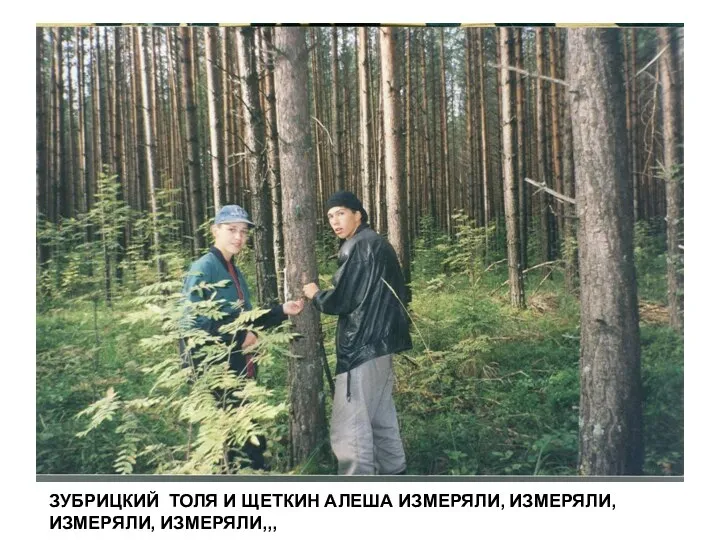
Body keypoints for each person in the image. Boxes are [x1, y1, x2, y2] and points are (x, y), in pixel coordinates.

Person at [181, 204, 304, 470]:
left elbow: (246, 320)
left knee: (247, 440)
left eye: (243, 232)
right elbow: (192, 325)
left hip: (238, 370)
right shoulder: (203, 267)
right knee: (231, 446)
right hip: (214, 373)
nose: (238, 237)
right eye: (231, 230)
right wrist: (238, 340)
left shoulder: (235, 271)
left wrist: (281, 311)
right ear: (215, 230)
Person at [303, 191, 411, 475]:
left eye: (340, 213)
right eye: (330, 216)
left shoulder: (358, 246)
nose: (334, 221)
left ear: (357, 214)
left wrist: (316, 295)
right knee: (380, 415)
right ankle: (394, 471)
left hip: (361, 349)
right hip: (382, 346)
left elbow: (342, 300)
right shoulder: (376, 243)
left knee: (350, 426)